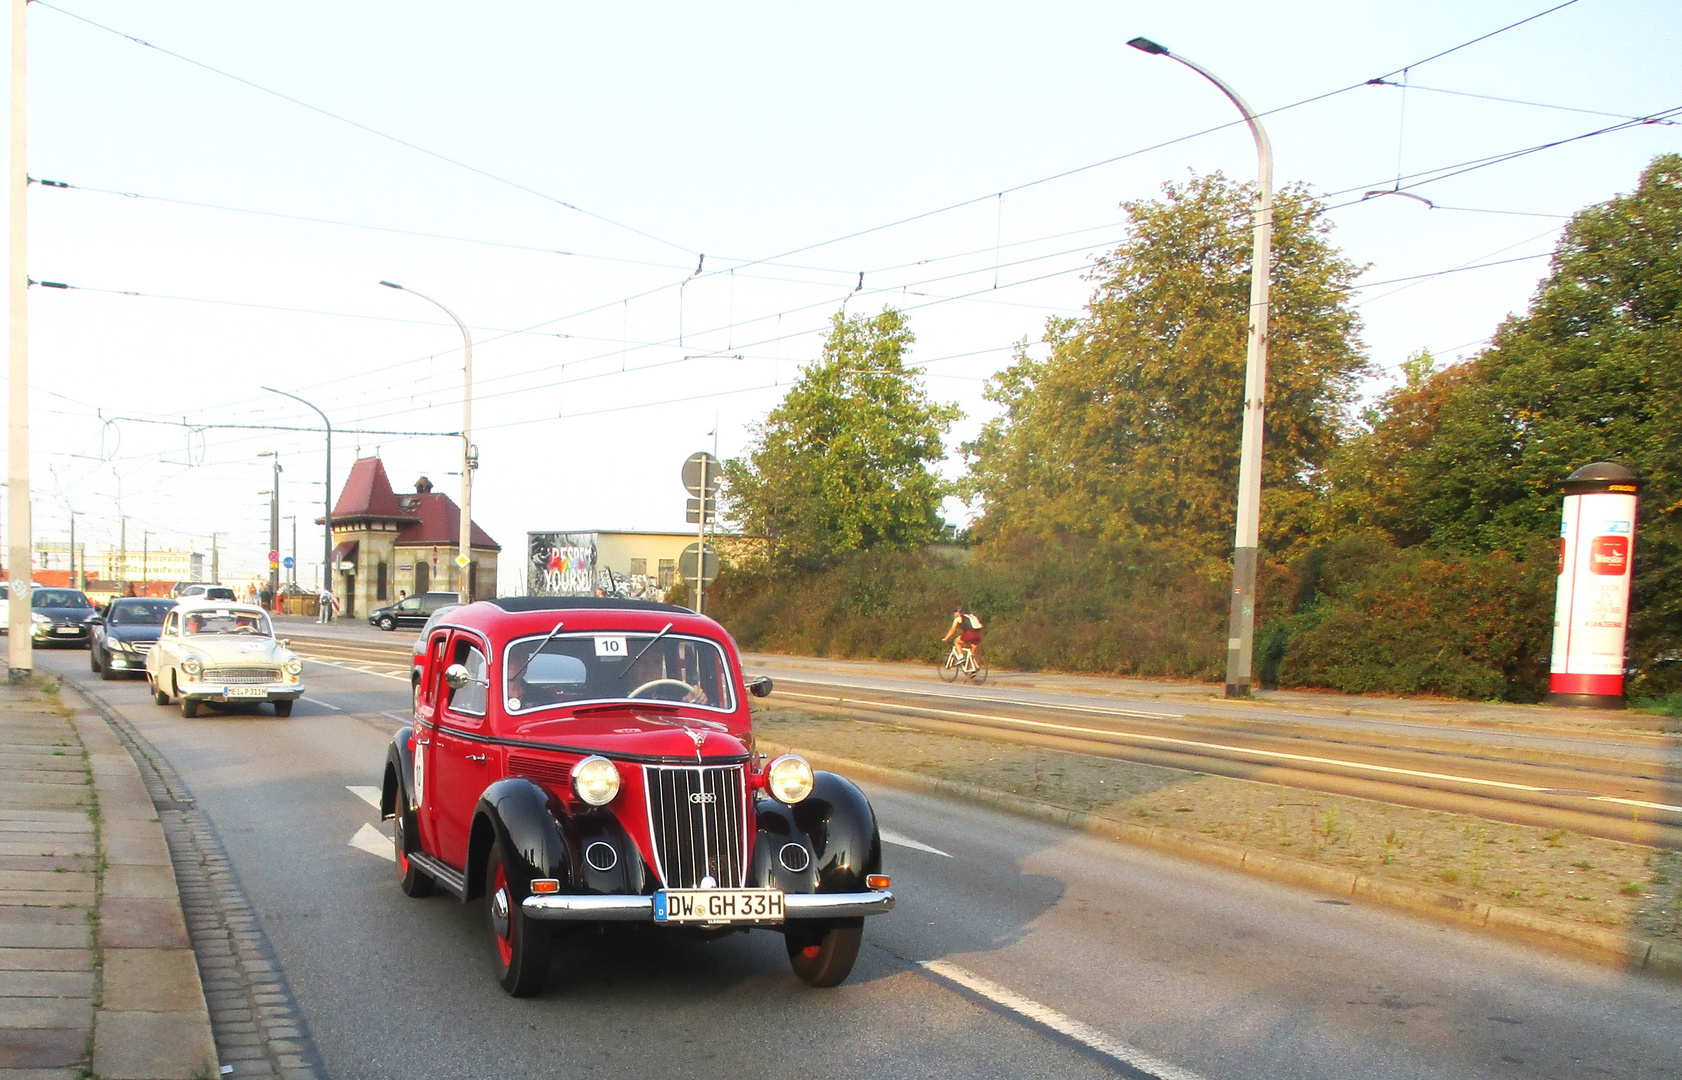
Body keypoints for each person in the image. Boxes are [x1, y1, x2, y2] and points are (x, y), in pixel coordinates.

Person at [942, 605, 983, 670]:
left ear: (957, 612)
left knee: (957, 641)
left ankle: (961, 657)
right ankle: (975, 667)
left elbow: (952, 630)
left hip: (969, 633)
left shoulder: (958, 618)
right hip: (978, 634)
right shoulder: (971, 616)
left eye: (955, 612)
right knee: (972, 652)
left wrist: (946, 638)